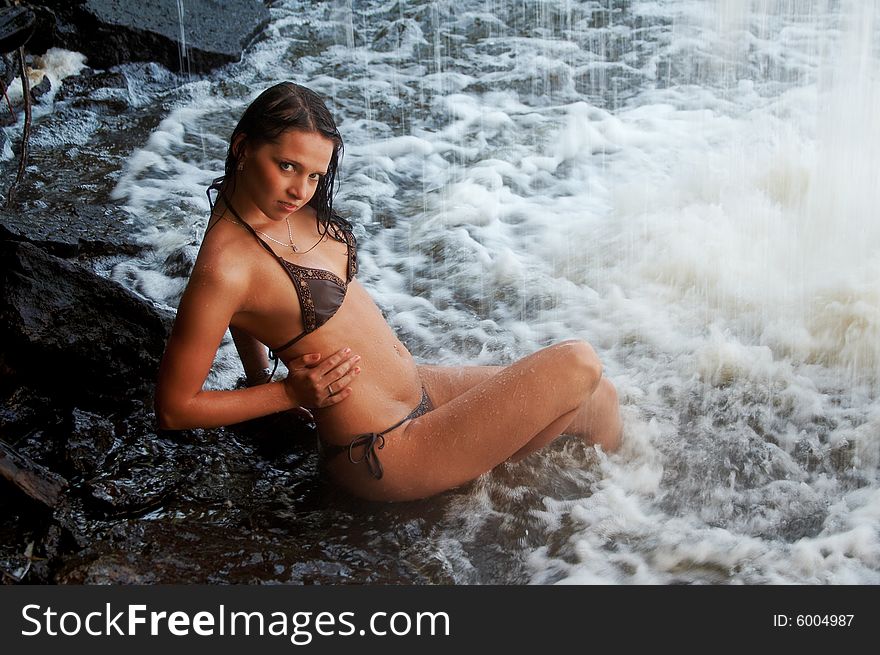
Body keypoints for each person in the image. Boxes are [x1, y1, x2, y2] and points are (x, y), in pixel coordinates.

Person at [155, 82, 622, 502]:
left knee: (599, 397)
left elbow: (248, 311)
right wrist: (286, 393)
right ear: (242, 148)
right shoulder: (224, 266)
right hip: (383, 449)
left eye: (315, 175)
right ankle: (590, 514)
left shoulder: (265, 205)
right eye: (287, 166)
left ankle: (623, 504)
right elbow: (175, 408)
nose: (301, 190)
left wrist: (256, 374)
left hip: (418, 387)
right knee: (577, 362)